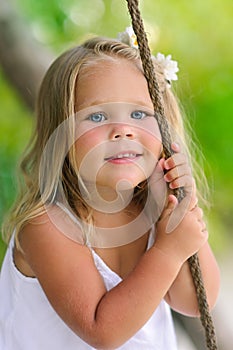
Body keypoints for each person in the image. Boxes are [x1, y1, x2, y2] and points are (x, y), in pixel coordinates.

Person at [0, 28, 220, 350]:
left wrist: (175, 210)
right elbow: (103, 332)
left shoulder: (154, 215)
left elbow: (196, 302)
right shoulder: (47, 225)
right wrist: (168, 250)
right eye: (97, 115)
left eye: (139, 114)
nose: (123, 131)